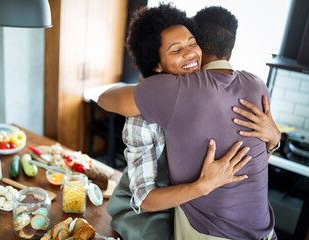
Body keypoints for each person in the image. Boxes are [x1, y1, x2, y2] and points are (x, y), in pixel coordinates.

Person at [99, 5, 280, 240]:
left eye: (192, 44)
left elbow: (247, 160)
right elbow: (144, 199)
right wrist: (203, 186)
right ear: (157, 64)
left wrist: (274, 139)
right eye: (177, 49)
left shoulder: (205, 91)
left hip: (209, 221)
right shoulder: (145, 112)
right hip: (160, 214)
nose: (190, 54)